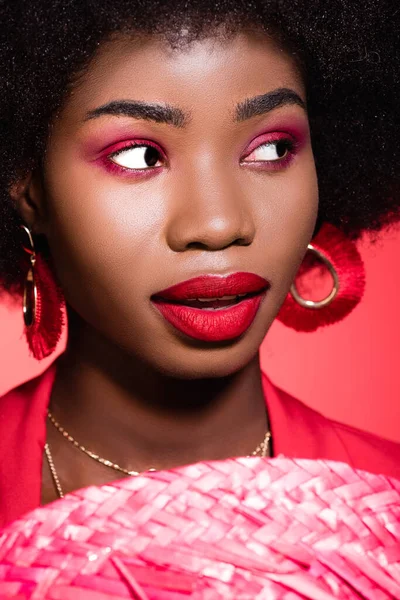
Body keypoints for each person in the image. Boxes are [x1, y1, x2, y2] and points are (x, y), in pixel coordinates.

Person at [0, 0, 399, 529]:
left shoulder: (387, 504)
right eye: (140, 156)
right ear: (28, 186)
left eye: (273, 148)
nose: (218, 224)